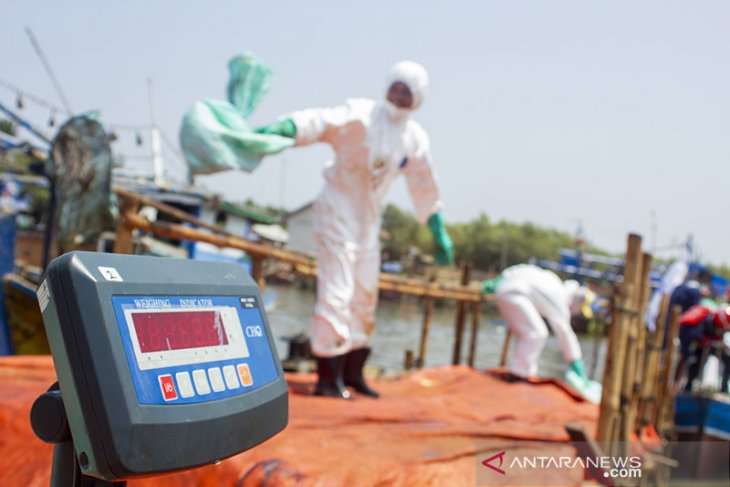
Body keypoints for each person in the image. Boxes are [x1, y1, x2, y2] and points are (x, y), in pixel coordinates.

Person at [255, 61, 454, 399]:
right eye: (397, 87)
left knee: (364, 294)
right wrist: (287, 128)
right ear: (387, 85)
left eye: (408, 92)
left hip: (368, 222)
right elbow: (319, 122)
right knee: (337, 289)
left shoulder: (413, 138)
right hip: (337, 210)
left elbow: (423, 183)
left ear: (418, 99)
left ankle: (352, 373)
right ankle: (327, 377)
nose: (399, 95)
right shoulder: (360, 115)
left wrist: (437, 228)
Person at [482, 264, 593, 382]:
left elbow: (525, 270)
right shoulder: (559, 299)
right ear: (578, 302)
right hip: (513, 294)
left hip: (507, 290)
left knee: (526, 335)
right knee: (537, 333)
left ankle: (527, 373)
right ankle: (517, 375)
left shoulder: (553, 282)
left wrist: (502, 279)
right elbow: (565, 333)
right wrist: (576, 361)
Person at [676, 303, 730, 392]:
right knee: (694, 362)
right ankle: (688, 387)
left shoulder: (719, 329)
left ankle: (724, 388)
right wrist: (705, 341)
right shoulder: (705, 322)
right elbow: (694, 335)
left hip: (709, 347)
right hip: (697, 348)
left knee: (728, 360)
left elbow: (719, 339)